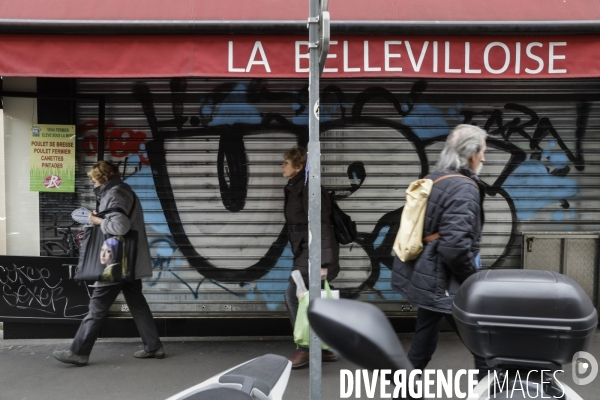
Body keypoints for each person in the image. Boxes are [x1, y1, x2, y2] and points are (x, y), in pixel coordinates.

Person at [391, 124, 491, 381]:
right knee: (482, 344)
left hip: (430, 277)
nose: (484, 157)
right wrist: (472, 279)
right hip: (448, 281)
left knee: (422, 343)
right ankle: (491, 391)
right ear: (471, 154)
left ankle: (405, 393)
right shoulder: (464, 187)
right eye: (483, 151)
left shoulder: (435, 179)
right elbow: (455, 247)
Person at [53, 160, 164, 366]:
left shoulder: (114, 194)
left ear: (103, 178)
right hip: (129, 261)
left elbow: (120, 226)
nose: (92, 184)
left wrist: (97, 221)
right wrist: (102, 217)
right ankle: (154, 346)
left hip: (115, 261)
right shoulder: (122, 190)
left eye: (94, 180)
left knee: (97, 307)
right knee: (138, 304)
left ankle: (79, 352)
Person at [282, 146, 340, 368]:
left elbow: (322, 226)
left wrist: (323, 263)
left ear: (298, 167)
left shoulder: (308, 190)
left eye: (286, 162)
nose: (282, 166)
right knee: (310, 300)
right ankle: (325, 348)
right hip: (306, 250)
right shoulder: (296, 187)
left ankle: (307, 348)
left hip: (313, 252)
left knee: (292, 294)